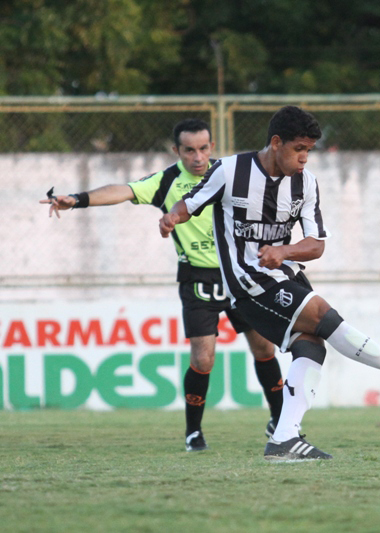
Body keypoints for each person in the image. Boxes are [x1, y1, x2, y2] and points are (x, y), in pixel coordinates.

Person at [159, 106, 380, 461]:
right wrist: (171, 218)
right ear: (277, 143)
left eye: (309, 150)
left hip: (285, 275)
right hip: (247, 282)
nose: (304, 158)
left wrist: (284, 250)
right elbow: (190, 203)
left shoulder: (306, 183)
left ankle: (284, 438)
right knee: (324, 315)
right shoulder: (229, 170)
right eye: (298, 149)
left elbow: (316, 244)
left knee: (311, 345)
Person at [40, 119, 284, 452]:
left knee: (265, 349)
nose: (197, 157)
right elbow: (123, 191)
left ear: (211, 147)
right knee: (204, 358)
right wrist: (79, 200)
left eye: (203, 148)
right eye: (189, 150)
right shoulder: (168, 180)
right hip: (199, 278)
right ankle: (193, 432)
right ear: (177, 151)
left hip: (240, 274)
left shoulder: (229, 174)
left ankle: (280, 422)